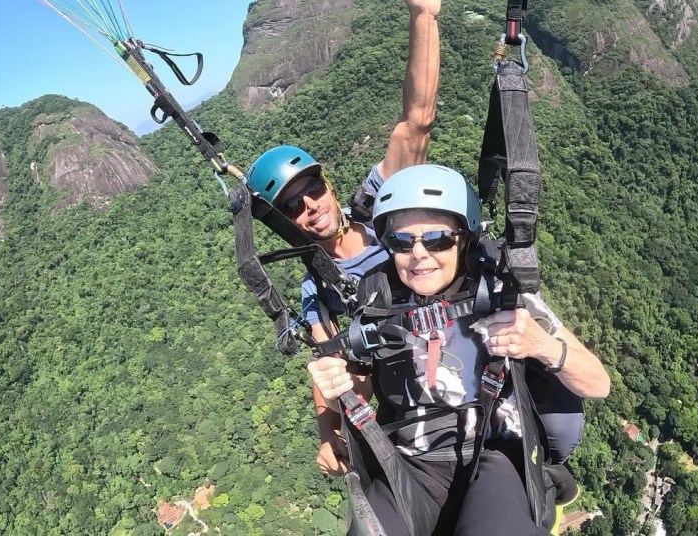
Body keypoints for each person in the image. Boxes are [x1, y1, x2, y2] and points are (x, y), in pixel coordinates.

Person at [308, 164, 611, 534]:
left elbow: (598, 384)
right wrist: (337, 387)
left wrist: (542, 345)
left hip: (491, 454)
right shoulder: (377, 302)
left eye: (437, 239)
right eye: (402, 241)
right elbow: (361, 385)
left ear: (464, 239)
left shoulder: (502, 295)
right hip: (408, 462)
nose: (418, 255)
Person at [243, 0, 443, 478]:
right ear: (284, 223)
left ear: (327, 184)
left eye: (312, 188)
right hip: (412, 384)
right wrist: (327, 433)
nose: (310, 205)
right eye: (293, 205)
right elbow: (328, 362)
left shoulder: (376, 208)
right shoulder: (318, 287)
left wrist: (423, 17)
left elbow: (416, 124)